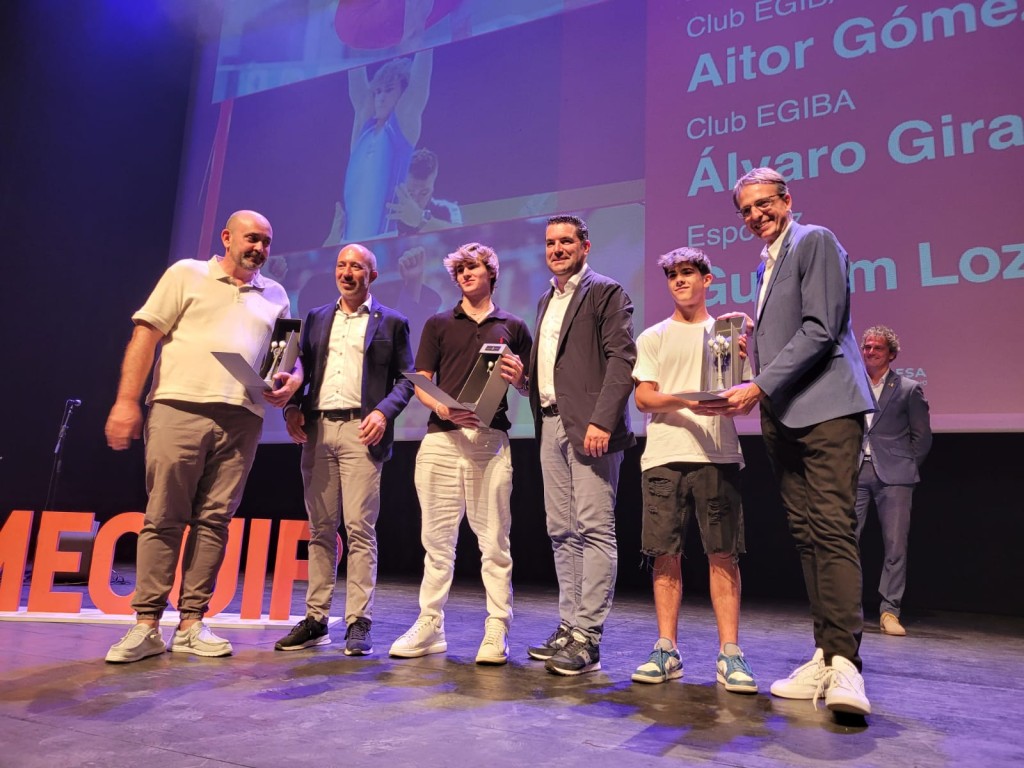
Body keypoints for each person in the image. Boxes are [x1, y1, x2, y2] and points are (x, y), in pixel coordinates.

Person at [700, 168, 875, 716]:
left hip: (827, 411)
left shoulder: (814, 240)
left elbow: (822, 328)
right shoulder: (766, 264)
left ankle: (846, 664)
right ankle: (826, 653)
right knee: (807, 536)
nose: (757, 215)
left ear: (787, 199)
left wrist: (759, 385)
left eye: (765, 203)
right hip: (785, 414)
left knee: (832, 530)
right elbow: (793, 334)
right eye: (747, 210)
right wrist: (752, 350)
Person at [103, 210, 301, 663]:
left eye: (267, 242)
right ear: (227, 237)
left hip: (243, 416)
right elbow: (144, 337)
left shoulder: (276, 294)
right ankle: (146, 625)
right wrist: (126, 400)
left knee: (214, 521)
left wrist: (291, 380)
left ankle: (192, 622)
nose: (260, 249)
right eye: (252, 239)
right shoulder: (186, 274)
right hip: (179, 405)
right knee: (164, 516)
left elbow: (285, 358)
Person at [389, 243, 532, 665]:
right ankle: (430, 623)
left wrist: (521, 379)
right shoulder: (438, 323)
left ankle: (497, 626)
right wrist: (442, 407)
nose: (466, 274)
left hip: (489, 440)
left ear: (492, 272)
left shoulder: (514, 326)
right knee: (437, 542)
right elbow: (422, 380)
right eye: (460, 270)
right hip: (441, 439)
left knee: (495, 542)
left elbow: (529, 387)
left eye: (473, 267)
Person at [275, 244, 415, 655]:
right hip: (318, 430)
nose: (347, 273)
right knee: (320, 529)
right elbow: (298, 371)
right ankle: (316, 619)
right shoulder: (317, 318)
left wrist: (384, 413)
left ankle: (358, 620)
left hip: (361, 431)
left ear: (372, 275)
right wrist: (292, 408)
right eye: (341, 265)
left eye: (356, 266)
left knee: (359, 529)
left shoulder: (393, 321)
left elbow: (407, 379)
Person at [630, 247, 756, 693]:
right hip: (664, 455)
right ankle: (667, 648)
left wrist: (741, 372)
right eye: (673, 275)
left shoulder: (727, 334)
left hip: (717, 455)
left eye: (688, 273)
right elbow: (644, 398)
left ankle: (730, 652)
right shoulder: (653, 336)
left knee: (723, 554)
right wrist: (687, 399)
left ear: (707, 280)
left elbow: (744, 399)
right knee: (664, 554)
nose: (680, 281)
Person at [526, 214, 636, 676]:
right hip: (551, 423)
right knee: (560, 530)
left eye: (566, 241)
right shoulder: (546, 299)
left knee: (594, 528)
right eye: (551, 242)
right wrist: (523, 379)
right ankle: (569, 626)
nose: (557, 249)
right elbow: (559, 370)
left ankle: (588, 637)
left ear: (585, 246)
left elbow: (622, 360)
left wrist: (602, 421)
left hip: (591, 429)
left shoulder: (606, 292)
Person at [855, 325, 932, 636]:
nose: (870, 352)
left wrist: (905, 465)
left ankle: (890, 611)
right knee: (846, 542)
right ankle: (848, 608)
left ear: (891, 354)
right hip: (856, 471)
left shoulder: (908, 389)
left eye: (877, 348)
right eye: (867, 347)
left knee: (895, 545)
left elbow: (922, 437)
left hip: (895, 476)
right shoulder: (852, 384)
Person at [340, 49, 432, 241]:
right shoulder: (363, 132)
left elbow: (419, 81)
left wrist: (422, 43)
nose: (381, 98)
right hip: (346, 244)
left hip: (381, 241)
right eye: (378, 92)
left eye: (389, 90)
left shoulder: (401, 127)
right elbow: (355, 70)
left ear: (404, 94)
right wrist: (354, 43)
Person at [391, 148, 463, 236]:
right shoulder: (391, 211)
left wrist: (420, 220)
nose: (415, 201)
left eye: (423, 193)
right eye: (410, 193)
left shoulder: (447, 209)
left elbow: (461, 235)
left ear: (433, 186)